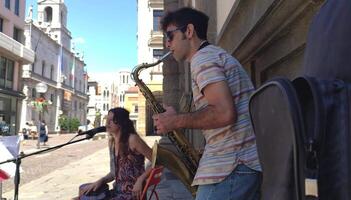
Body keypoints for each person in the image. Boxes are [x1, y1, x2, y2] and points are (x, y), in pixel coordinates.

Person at [153, 7, 262, 200]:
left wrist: (175, 121)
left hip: (233, 165)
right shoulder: (214, 55)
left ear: (189, 31)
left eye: (170, 35)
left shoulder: (203, 59)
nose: (167, 43)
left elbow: (224, 113)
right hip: (238, 163)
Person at [79, 107, 153, 200]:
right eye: (107, 119)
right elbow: (114, 173)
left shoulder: (132, 139)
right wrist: (100, 181)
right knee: (82, 196)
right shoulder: (113, 143)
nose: (107, 123)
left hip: (132, 194)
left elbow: (156, 161)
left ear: (121, 122)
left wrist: (141, 180)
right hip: (117, 191)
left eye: (112, 120)